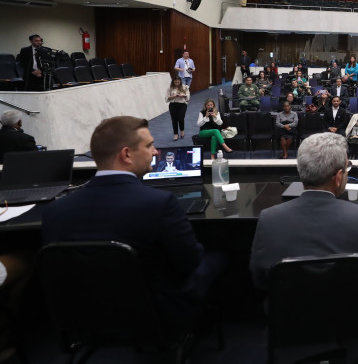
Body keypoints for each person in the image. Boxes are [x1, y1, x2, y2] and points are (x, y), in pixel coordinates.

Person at [42, 116, 227, 323]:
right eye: (149, 146)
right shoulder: (160, 203)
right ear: (127, 154)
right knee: (218, 256)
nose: (156, 152)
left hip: (82, 318)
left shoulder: (54, 211)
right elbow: (190, 262)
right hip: (153, 315)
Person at [249, 133, 358, 332]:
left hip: (290, 329)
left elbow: (259, 280)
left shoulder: (268, 218)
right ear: (338, 178)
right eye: (347, 169)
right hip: (351, 327)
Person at [165, 76, 190, 141]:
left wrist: (183, 95)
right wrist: (173, 96)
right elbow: (167, 98)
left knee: (181, 118)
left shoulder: (185, 87)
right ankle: (175, 134)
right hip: (173, 104)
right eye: (175, 82)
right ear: (173, 82)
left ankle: (182, 130)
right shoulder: (170, 88)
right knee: (174, 120)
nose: (177, 84)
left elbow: (188, 97)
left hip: (182, 104)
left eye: (178, 82)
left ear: (180, 81)